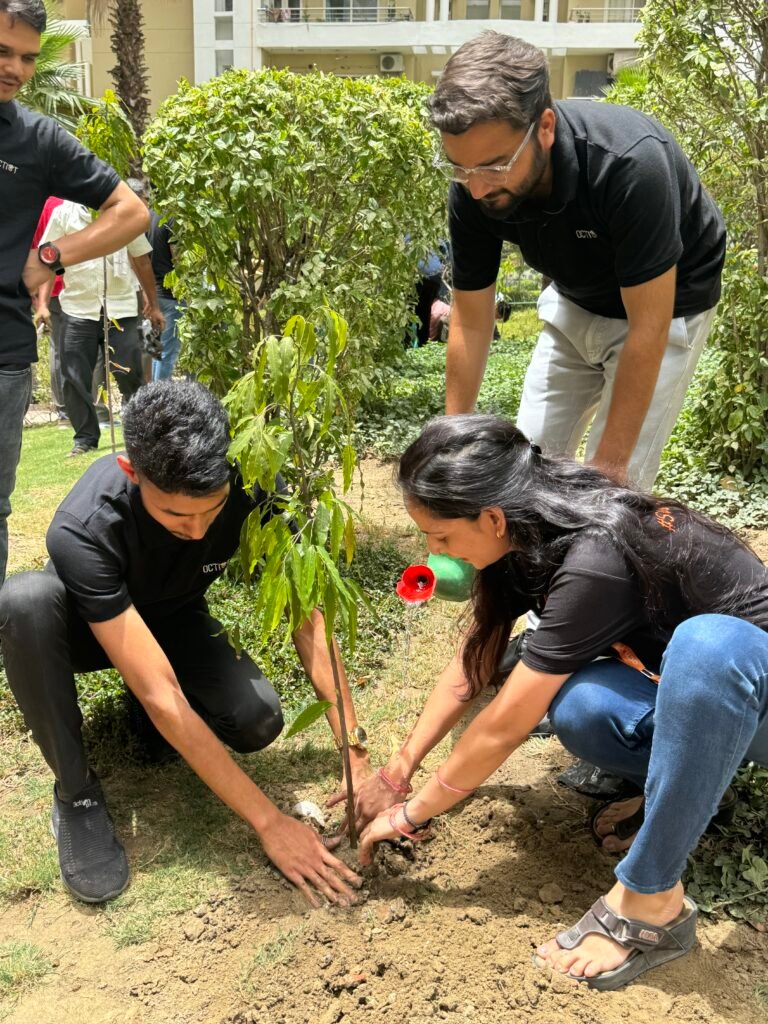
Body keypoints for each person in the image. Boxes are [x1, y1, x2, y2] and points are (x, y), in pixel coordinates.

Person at [356, 414, 768, 991]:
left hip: (754, 700)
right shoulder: (529, 535)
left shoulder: (597, 554)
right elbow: (474, 661)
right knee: (580, 705)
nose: (433, 550)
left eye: (442, 536)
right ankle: (691, 791)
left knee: (707, 644)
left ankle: (653, 902)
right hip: (693, 697)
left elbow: (504, 726)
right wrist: (398, 772)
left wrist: (410, 814)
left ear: (492, 518)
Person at [0, 381, 368, 906]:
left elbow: (306, 620)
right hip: (85, 630)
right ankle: (76, 794)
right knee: (25, 600)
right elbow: (162, 693)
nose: (197, 532)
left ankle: (146, 730)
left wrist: (354, 752)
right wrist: (269, 822)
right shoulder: (84, 526)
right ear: (132, 473)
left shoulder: (253, 482)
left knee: (256, 718)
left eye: (211, 512)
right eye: (176, 516)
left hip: (173, 617)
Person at [431, 32, 726, 491]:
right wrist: (451, 448)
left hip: (667, 304)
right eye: (460, 168)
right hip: (575, 297)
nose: (477, 189)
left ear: (544, 127)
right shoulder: (473, 181)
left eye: (493, 167)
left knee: (609, 487)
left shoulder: (629, 165)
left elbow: (648, 327)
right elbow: (470, 321)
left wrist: (609, 471)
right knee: (530, 469)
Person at [0, 0, 149, 584]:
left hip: (3, 355)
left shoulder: (36, 138)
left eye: (28, 58)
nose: (15, 68)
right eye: (3, 52)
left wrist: (49, 258)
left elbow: (130, 211)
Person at [37, 199, 165, 456]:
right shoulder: (64, 215)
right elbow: (48, 261)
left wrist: (153, 304)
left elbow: (141, 260)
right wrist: (42, 304)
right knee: (73, 377)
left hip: (122, 307)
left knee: (131, 374)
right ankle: (85, 438)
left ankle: (139, 434)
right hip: (78, 307)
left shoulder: (124, 212)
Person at [31, 196, 67, 426]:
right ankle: (69, 409)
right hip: (61, 284)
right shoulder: (59, 204)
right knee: (66, 348)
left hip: (38, 284)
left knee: (57, 348)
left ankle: (63, 408)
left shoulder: (29, 201)